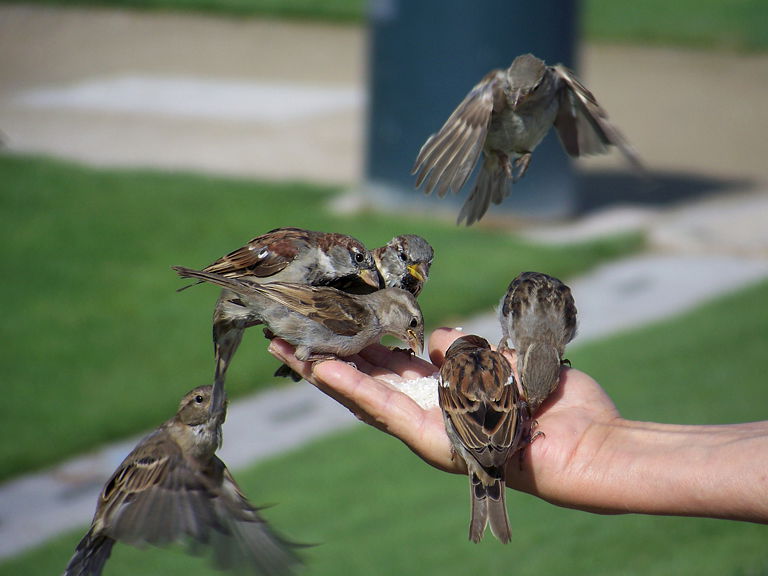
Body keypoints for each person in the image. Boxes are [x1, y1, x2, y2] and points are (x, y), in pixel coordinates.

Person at [268, 327, 768, 524]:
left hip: (485, 445)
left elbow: (458, 410)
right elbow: (509, 406)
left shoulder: (452, 380)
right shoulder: (503, 371)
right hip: (509, 439)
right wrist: (515, 439)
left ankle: (487, 496)